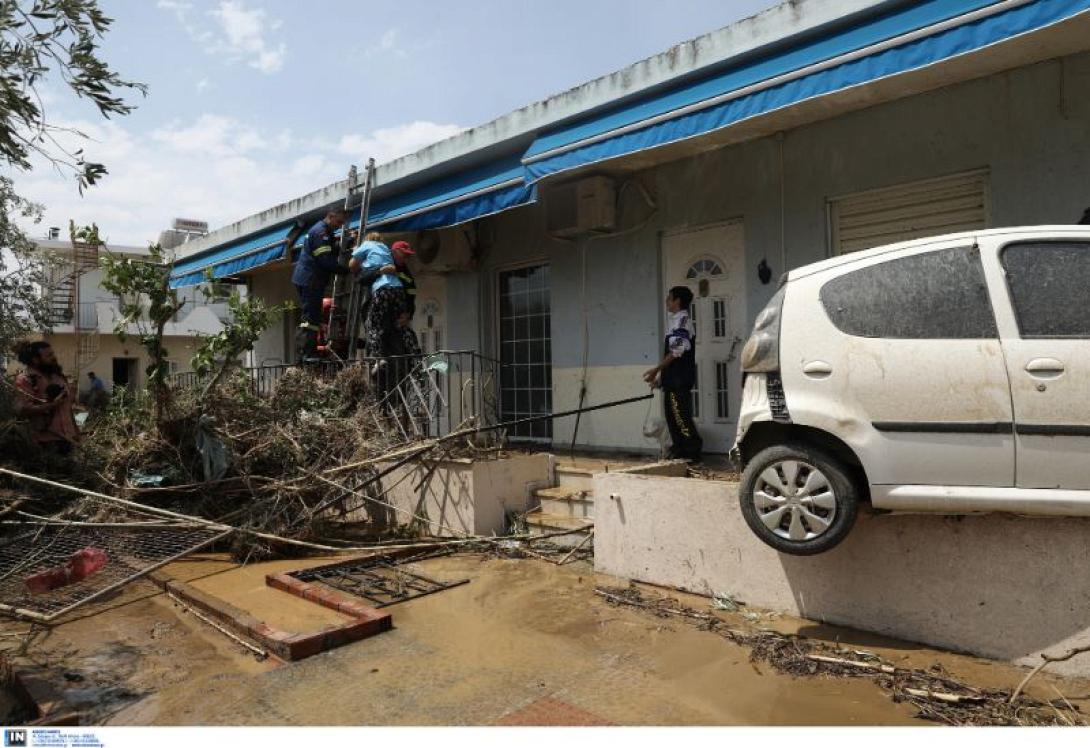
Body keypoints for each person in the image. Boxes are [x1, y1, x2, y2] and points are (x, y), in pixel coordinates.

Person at [643, 286, 702, 462]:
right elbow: (671, 357)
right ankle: (679, 450)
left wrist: (656, 370)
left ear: (677, 301)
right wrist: (661, 380)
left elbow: (677, 351)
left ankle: (692, 452)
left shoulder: (683, 321)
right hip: (672, 380)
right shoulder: (674, 321)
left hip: (679, 381)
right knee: (672, 418)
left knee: (680, 417)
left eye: (669, 298)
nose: (667, 302)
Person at [292, 208, 350, 361]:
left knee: (313, 318)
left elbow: (329, 251)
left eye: (342, 223)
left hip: (312, 279)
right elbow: (325, 259)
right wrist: (347, 270)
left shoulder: (324, 232)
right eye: (338, 222)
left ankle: (308, 353)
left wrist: (347, 242)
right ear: (330, 216)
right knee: (309, 318)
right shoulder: (320, 232)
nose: (339, 226)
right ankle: (306, 354)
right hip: (310, 279)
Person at [351, 234, 414, 360]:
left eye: (408, 256)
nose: (406, 258)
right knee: (376, 330)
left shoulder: (403, 270)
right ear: (394, 252)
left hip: (394, 312)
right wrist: (380, 271)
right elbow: (362, 278)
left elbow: (411, 293)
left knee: (400, 335)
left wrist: (409, 313)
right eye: (404, 254)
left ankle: (414, 359)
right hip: (376, 304)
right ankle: (377, 361)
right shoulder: (381, 259)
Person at [13, 341, 80, 456]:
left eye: (53, 354)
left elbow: (67, 409)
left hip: (67, 438)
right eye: (49, 355)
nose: (54, 358)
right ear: (35, 360)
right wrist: (52, 405)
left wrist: (76, 432)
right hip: (45, 441)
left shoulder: (58, 377)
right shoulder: (25, 379)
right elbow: (23, 410)